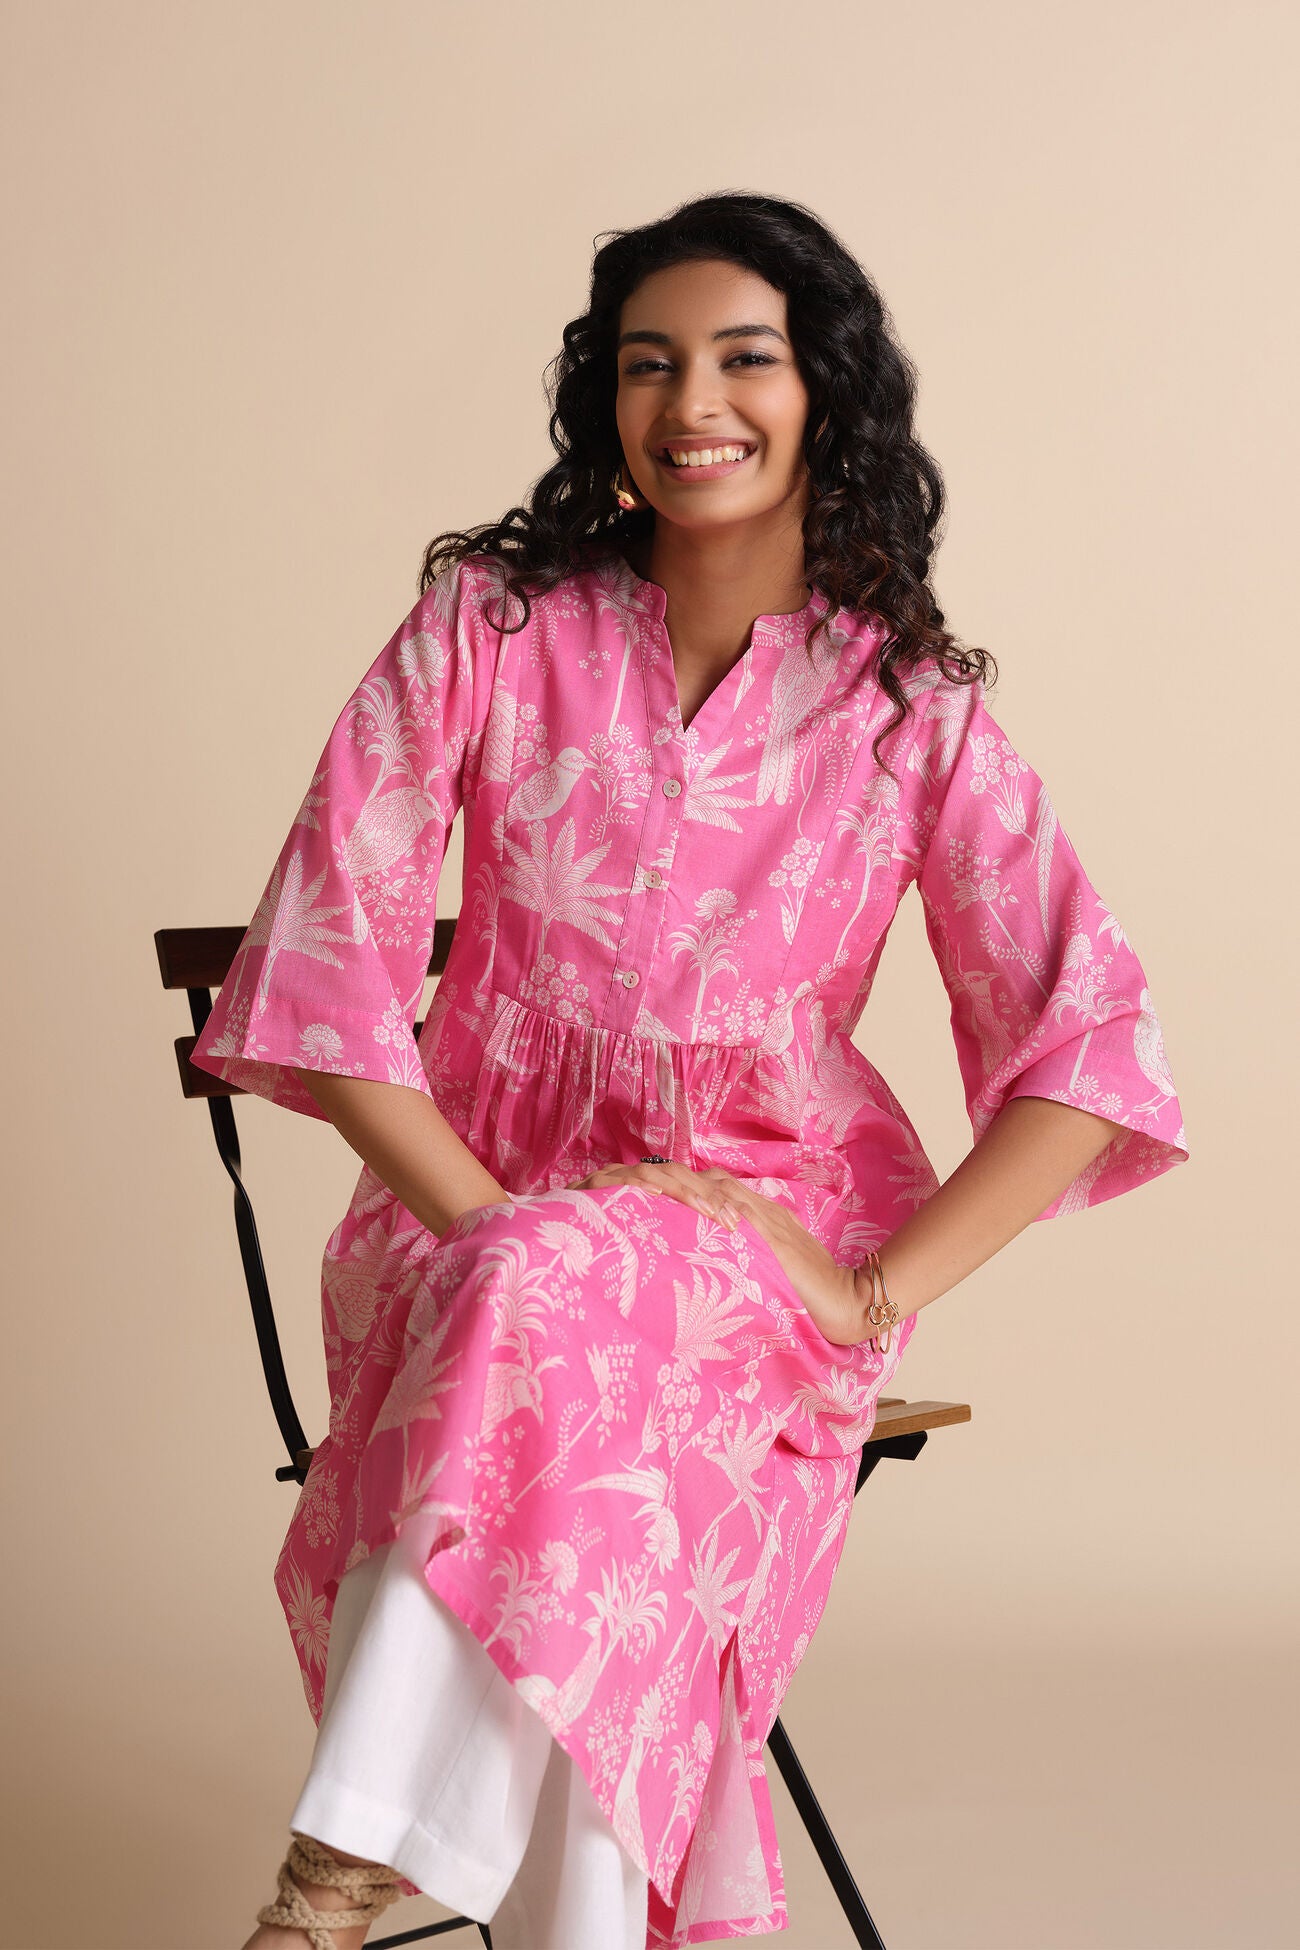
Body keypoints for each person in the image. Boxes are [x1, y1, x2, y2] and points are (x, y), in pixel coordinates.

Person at [190, 191, 1189, 1950]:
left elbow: (1090, 1048)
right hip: (457, 1223)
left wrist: (870, 1287)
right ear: (608, 400)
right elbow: (330, 971)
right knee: (557, 1349)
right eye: (648, 364)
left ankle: (324, 1895)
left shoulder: (906, 712)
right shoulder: (490, 630)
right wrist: (509, 1236)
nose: (693, 402)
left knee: (568, 1364)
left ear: (825, 395)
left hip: (752, 1263)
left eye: (745, 358)